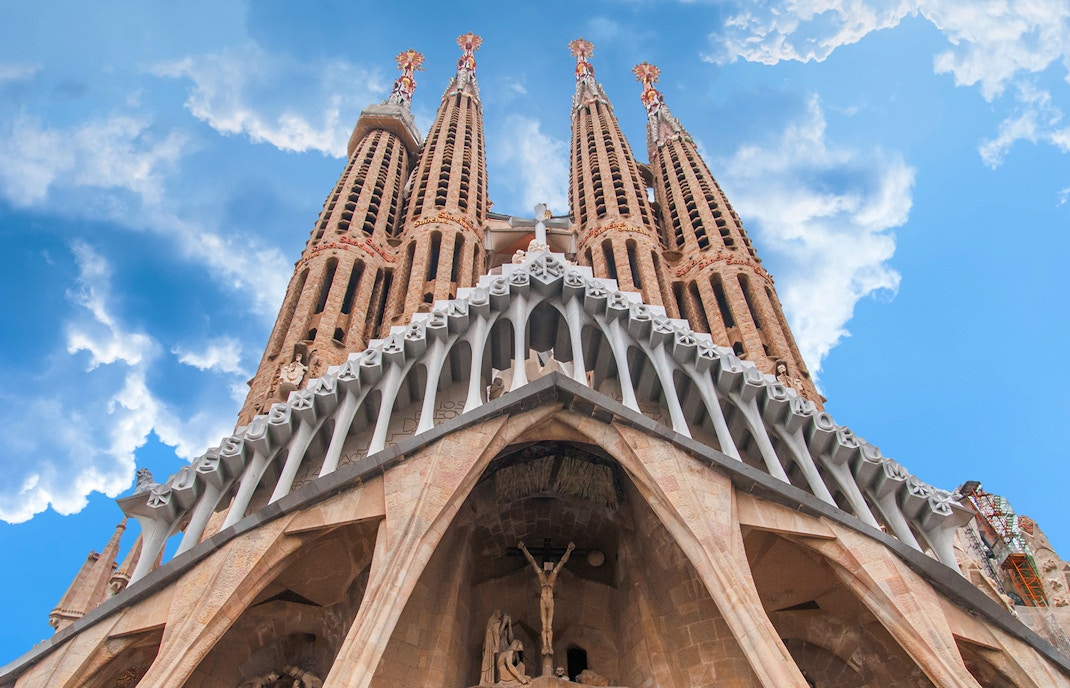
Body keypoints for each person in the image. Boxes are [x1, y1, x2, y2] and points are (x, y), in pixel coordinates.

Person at [518, 541, 575, 655]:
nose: (549, 568)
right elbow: (532, 561)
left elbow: (562, 562)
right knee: (545, 626)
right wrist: (524, 548)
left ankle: (550, 646)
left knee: (549, 626)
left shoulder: (553, 575)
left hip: (550, 600)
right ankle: (545, 646)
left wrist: (569, 550)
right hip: (543, 600)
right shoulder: (541, 575)